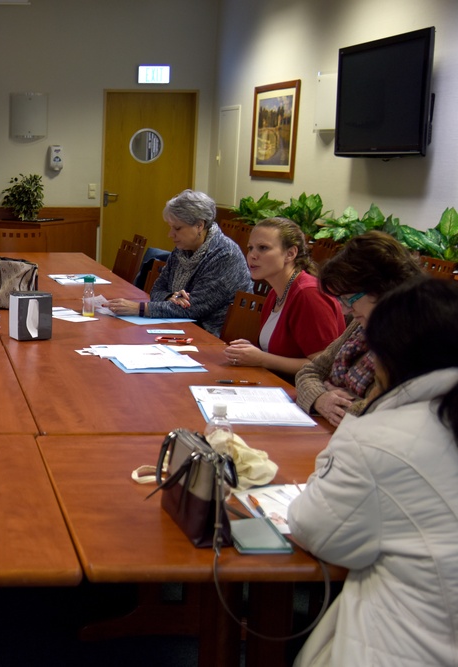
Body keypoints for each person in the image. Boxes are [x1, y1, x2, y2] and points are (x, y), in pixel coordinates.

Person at [288, 276, 458, 666]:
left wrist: (363, 420)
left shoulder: (380, 437)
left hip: (407, 646)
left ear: (387, 357)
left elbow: (315, 529)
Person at [294, 231, 422, 427]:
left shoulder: (414, 337)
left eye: (349, 298)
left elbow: (378, 411)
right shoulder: (362, 322)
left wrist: (337, 399)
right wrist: (321, 397)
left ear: (382, 288)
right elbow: (309, 372)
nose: (345, 309)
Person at [107, 189, 252, 336]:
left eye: (177, 228)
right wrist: (170, 297)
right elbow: (157, 289)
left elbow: (193, 308)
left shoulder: (224, 255)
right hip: (181, 324)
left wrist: (140, 308)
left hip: (212, 336)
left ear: (199, 226)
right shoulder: (182, 249)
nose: (170, 234)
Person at [224, 218, 344, 378]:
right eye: (250, 248)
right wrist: (252, 353)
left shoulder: (309, 294)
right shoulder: (276, 292)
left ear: (290, 253)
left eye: (263, 248)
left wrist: (262, 359)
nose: (252, 255)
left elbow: (323, 365)